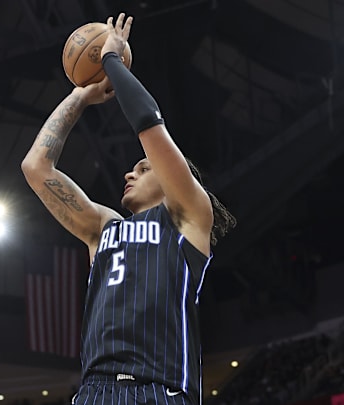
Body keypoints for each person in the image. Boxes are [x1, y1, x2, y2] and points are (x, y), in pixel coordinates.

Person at [21, 13, 236, 405]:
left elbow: (148, 123)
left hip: (160, 388)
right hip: (94, 391)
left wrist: (112, 61)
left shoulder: (188, 216)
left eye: (143, 167)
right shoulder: (103, 228)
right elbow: (36, 168)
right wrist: (80, 96)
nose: (129, 172)